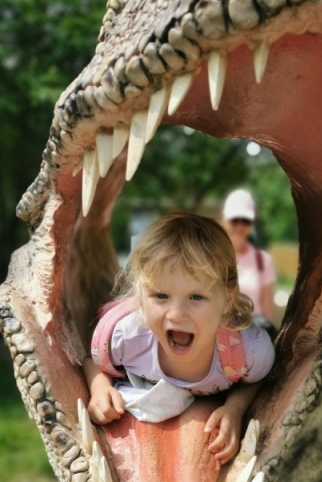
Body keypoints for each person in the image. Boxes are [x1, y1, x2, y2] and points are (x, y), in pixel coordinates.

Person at [83, 212, 275, 464]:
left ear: (228, 299)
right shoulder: (126, 339)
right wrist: (100, 388)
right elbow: (93, 361)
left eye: (196, 297)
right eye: (160, 296)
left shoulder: (247, 351)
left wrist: (234, 409)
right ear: (141, 295)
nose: (176, 314)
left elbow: (256, 379)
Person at [222, 189, 277, 333]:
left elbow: (266, 309)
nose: (240, 226)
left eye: (245, 221)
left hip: (252, 334)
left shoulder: (262, 260)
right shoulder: (212, 257)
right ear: (224, 220)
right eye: (235, 220)